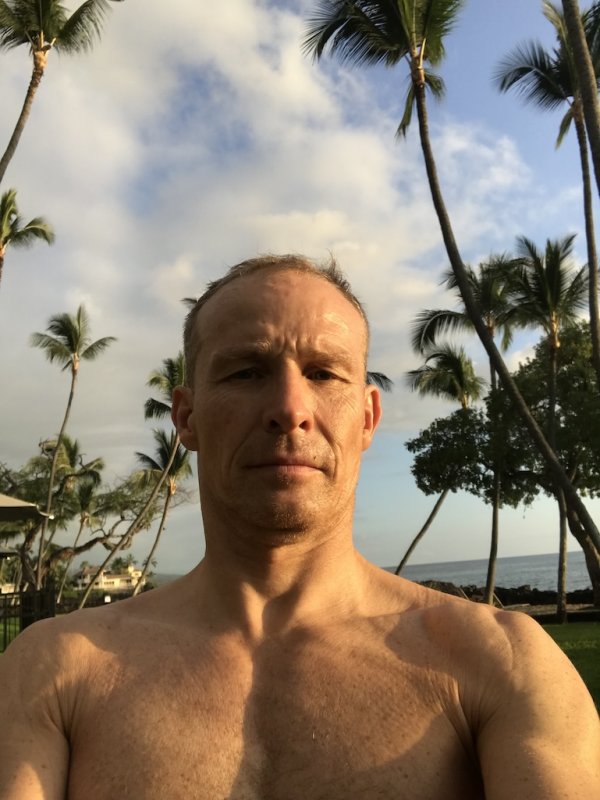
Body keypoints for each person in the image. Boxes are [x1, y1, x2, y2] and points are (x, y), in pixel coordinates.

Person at [0, 254, 598, 799]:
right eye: (246, 373)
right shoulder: (56, 673)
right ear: (185, 417)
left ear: (368, 418)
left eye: (323, 373)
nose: (290, 408)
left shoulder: (499, 665)